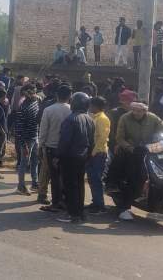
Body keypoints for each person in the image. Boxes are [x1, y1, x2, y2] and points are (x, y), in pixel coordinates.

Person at [115, 101, 163, 221]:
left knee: (162, 170)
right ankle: (124, 208)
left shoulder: (152, 117)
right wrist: (130, 148)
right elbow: (119, 138)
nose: (136, 112)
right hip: (132, 150)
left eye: (139, 110)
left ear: (145, 111)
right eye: (134, 109)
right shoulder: (125, 118)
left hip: (150, 148)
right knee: (135, 177)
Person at [55, 92, 95, 223]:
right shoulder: (90, 119)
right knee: (79, 185)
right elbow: (91, 141)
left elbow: (64, 141)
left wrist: (57, 156)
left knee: (70, 186)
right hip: (82, 157)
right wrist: (88, 156)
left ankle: (73, 214)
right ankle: (80, 211)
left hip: (70, 157)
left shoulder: (70, 119)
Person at [38, 84, 72, 210]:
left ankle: (54, 201)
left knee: (53, 175)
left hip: (51, 147)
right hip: (67, 149)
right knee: (64, 175)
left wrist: (40, 146)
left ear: (57, 95)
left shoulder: (49, 110)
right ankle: (62, 200)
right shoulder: (72, 110)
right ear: (70, 96)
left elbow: (43, 131)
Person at [105, 89, 137, 192]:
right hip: (116, 144)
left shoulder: (135, 114)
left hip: (132, 144)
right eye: (130, 102)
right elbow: (111, 131)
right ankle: (112, 183)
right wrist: (117, 144)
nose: (132, 104)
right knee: (119, 158)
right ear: (123, 102)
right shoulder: (114, 113)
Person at [14, 83, 40, 195]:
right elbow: (19, 129)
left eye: (35, 91)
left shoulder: (36, 102)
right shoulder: (22, 108)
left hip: (35, 137)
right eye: (32, 92)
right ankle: (21, 186)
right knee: (24, 163)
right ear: (26, 94)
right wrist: (24, 145)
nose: (35, 94)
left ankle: (35, 183)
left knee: (35, 161)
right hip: (27, 140)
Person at [86, 97, 110, 214]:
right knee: (92, 179)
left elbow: (102, 138)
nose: (89, 107)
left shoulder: (102, 119)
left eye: (91, 105)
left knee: (96, 179)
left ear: (96, 106)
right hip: (93, 152)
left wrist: (93, 152)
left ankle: (100, 205)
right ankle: (95, 202)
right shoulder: (94, 117)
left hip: (99, 153)